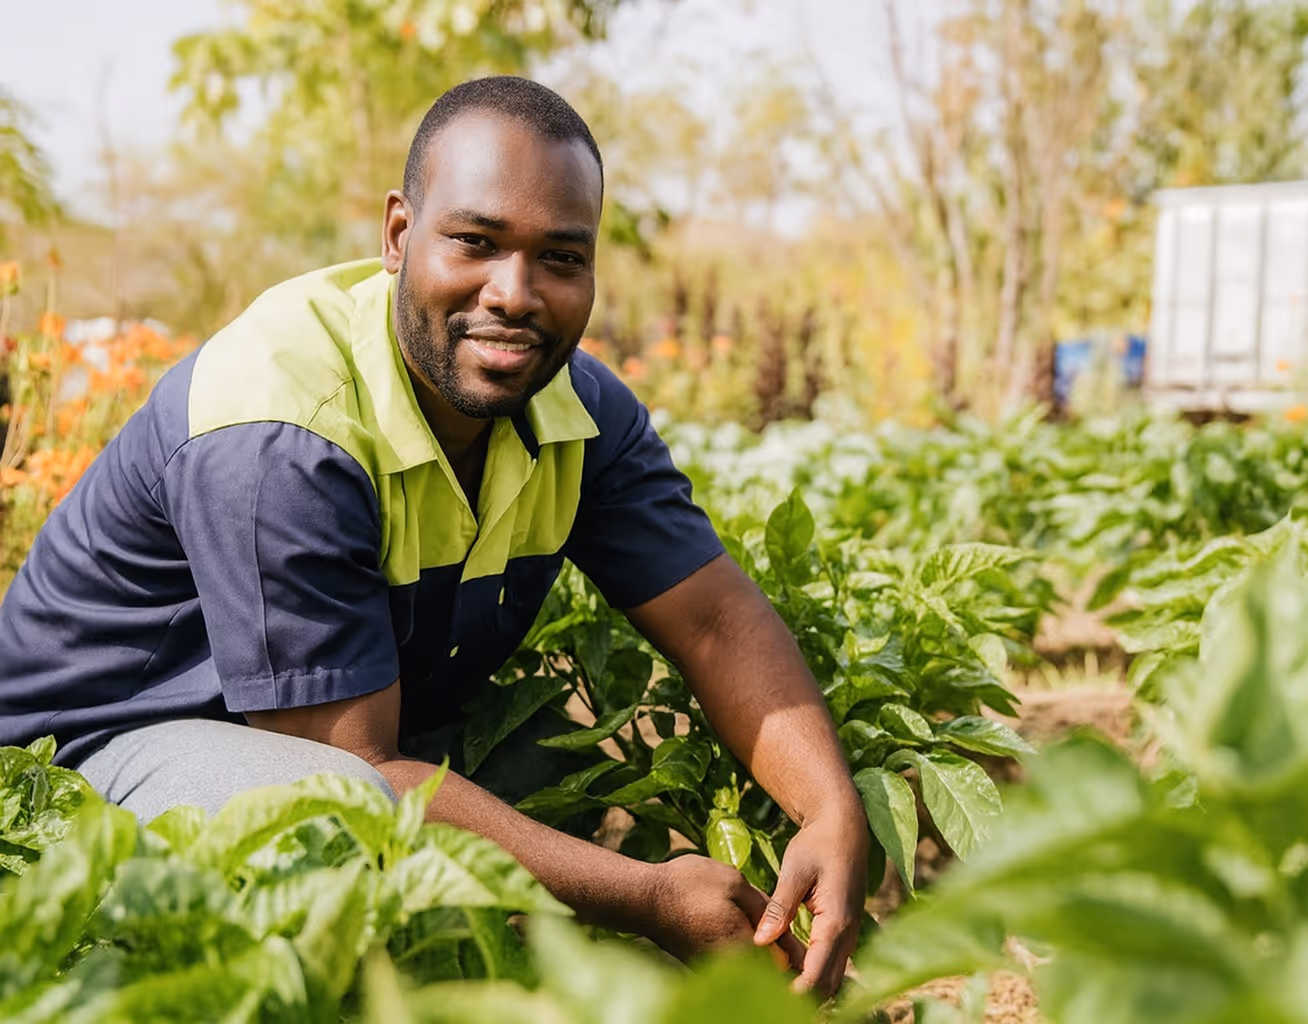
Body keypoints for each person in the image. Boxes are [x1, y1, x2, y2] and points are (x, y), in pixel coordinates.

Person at [0, 76, 867, 995]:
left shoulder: (579, 411)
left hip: (331, 741)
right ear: (399, 235)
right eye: (476, 242)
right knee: (338, 833)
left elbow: (714, 620)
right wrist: (646, 898)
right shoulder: (282, 427)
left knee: (579, 775)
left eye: (561, 258)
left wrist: (829, 807)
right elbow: (353, 776)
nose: (516, 293)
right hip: (84, 759)